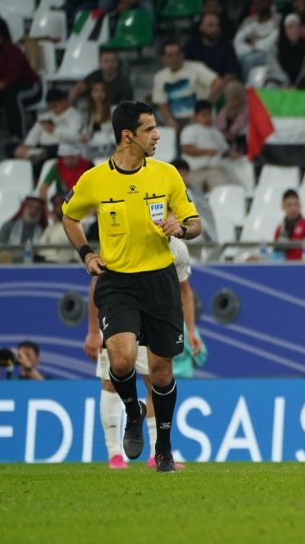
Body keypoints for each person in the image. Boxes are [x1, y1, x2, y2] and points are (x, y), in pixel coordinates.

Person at [61, 100, 202, 473]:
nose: (157, 136)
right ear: (128, 136)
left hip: (159, 281)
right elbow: (69, 216)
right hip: (118, 282)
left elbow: (194, 223)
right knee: (121, 360)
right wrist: (87, 254)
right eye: (150, 129)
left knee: (161, 372)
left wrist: (181, 228)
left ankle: (165, 450)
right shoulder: (95, 180)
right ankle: (132, 411)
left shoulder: (167, 174)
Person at [85, 236, 201, 469]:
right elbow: (97, 285)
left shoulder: (177, 249)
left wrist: (191, 330)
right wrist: (93, 331)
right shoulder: (123, 240)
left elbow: (185, 291)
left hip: (151, 319)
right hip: (120, 315)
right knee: (112, 378)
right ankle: (115, 454)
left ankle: (157, 452)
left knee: (155, 381)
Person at [0, 20, 42, 139]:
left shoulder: (12, 51)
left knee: (11, 96)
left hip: (29, 86)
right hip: (0, 88)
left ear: (1, 39)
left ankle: (18, 137)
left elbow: (10, 80)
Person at [152, 41, 222, 131]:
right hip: (176, 121)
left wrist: (204, 109)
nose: (175, 58)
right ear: (163, 58)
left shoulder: (196, 68)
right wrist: (169, 120)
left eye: (177, 54)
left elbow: (218, 83)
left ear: (182, 55)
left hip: (199, 118)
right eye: (170, 55)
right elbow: (162, 103)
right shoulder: (160, 77)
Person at [179, 100, 241, 191]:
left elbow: (225, 151)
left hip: (215, 169)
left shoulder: (216, 133)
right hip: (195, 170)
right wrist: (207, 152)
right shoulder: (190, 130)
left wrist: (233, 154)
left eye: (209, 115)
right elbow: (186, 149)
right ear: (196, 116)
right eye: (204, 115)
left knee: (230, 186)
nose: (207, 118)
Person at [233, 0, 280, 80]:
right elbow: (237, 42)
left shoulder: (278, 19)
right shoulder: (248, 21)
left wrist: (252, 43)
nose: (260, 4)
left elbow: (269, 44)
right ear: (253, 6)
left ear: (268, 1)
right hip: (249, 52)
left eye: (262, 1)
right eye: (256, 3)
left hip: (270, 53)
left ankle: (246, 88)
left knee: (249, 60)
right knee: (236, 58)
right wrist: (253, 48)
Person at [184, 12, 241, 81]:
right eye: (210, 26)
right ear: (201, 28)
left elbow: (231, 73)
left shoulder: (226, 46)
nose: (215, 29)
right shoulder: (191, 45)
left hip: (221, 83)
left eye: (217, 26)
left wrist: (218, 85)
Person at [171, 159, 216, 245]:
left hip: (200, 235)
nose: (183, 178)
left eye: (185, 174)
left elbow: (205, 216)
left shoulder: (195, 191)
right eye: (180, 174)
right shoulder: (168, 192)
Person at [68, 48, 134, 106]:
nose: (109, 64)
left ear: (117, 62)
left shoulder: (124, 85)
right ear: (100, 63)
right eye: (106, 61)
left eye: (113, 61)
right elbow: (77, 89)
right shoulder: (94, 76)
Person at [274, 189, 305, 261]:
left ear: (300, 205)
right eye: (289, 205)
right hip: (284, 268)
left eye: (296, 204)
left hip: (302, 268)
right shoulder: (279, 229)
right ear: (283, 206)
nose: (293, 208)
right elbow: (276, 253)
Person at [37, 193, 79, 264]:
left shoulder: (76, 225)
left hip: (67, 265)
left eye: (61, 203)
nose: (59, 207)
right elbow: (40, 249)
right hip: (49, 264)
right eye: (55, 204)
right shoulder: (50, 228)